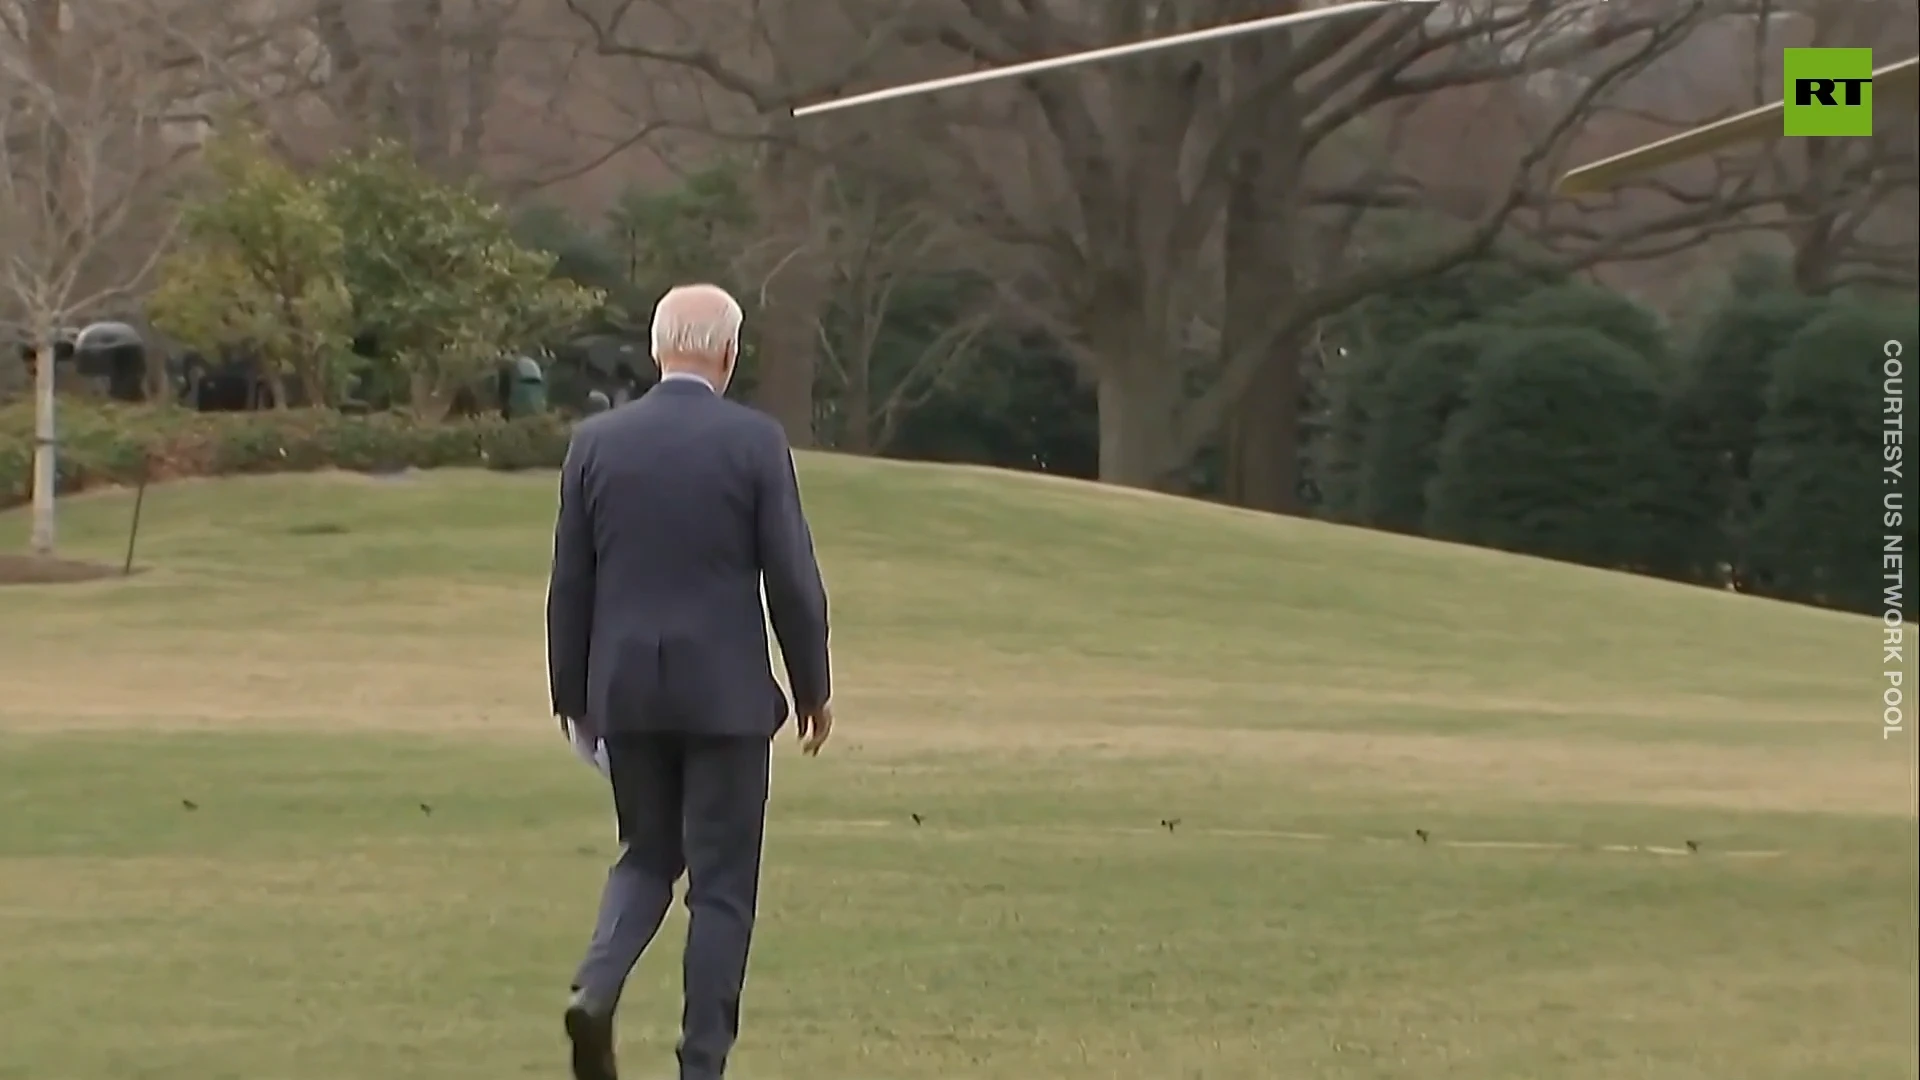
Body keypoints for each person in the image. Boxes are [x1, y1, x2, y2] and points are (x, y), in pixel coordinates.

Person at [546, 283, 834, 1080]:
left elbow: (571, 581)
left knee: (645, 855)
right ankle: (700, 1064)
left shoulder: (595, 443)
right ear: (729, 354)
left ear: (656, 345)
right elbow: (792, 577)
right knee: (722, 886)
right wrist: (812, 684)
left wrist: (572, 697)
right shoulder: (754, 442)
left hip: (628, 694)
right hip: (727, 700)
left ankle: (597, 987)